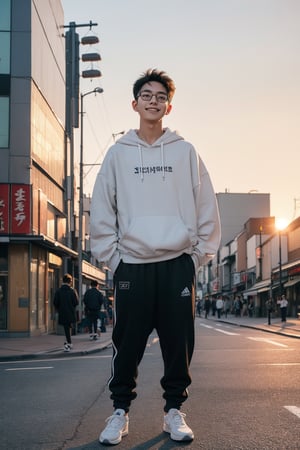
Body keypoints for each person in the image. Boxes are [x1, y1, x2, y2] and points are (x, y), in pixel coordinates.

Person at [90, 68, 221, 445]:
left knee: (178, 343)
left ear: (169, 105)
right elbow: (102, 209)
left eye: (160, 96)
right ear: (135, 104)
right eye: (146, 95)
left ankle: (174, 412)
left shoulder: (185, 151)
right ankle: (120, 412)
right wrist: (114, 260)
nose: (153, 100)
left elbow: (205, 206)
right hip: (132, 264)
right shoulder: (118, 154)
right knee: (127, 342)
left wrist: (194, 259)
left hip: (176, 264)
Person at [53, 273, 79, 352]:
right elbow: (76, 302)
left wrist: (59, 309)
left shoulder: (58, 291)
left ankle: (68, 342)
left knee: (66, 327)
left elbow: (55, 302)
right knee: (68, 327)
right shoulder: (72, 291)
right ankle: (68, 343)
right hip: (71, 312)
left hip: (62, 312)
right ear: (70, 281)